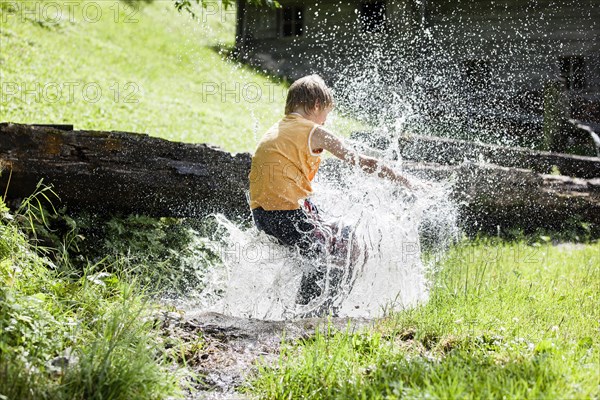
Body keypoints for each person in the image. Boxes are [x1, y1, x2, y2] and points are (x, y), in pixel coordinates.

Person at [248, 74, 413, 307]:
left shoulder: (277, 129)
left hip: (264, 216)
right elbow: (362, 162)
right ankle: (315, 312)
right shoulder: (313, 131)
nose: (325, 120)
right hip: (287, 214)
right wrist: (405, 180)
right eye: (326, 112)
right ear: (316, 106)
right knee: (345, 245)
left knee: (325, 244)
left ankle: (302, 307)